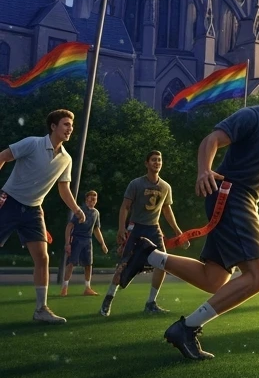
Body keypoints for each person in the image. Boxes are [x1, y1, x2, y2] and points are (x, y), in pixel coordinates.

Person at [117, 63, 259, 360]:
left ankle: (148, 255)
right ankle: (186, 328)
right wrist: (203, 171)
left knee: (213, 279)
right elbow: (211, 140)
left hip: (244, 197)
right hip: (231, 196)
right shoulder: (252, 117)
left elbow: (257, 174)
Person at [0, 109, 85, 323]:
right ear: (53, 127)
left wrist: (76, 209)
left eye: (71, 125)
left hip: (34, 210)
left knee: (43, 257)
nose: (70, 128)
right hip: (9, 202)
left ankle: (41, 310)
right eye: (66, 124)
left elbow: (64, 189)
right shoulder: (32, 143)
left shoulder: (66, 159)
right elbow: (3, 157)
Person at [100, 151, 187, 317]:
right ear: (146, 163)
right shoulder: (136, 184)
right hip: (136, 228)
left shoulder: (166, 187)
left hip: (154, 228)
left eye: (159, 160)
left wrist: (178, 232)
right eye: (153, 160)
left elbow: (167, 210)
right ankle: (108, 299)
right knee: (123, 265)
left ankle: (151, 302)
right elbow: (125, 207)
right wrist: (121, 228)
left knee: (163, 263)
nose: (157, 162)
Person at [61, 189, 108, 296]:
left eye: (94, 199)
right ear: (86, 200)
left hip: (88, 240)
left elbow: (96, 229)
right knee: (71, 263)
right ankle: (65, 287)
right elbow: (69, 226)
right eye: (90, 199)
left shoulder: (96, 213)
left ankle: (87, 287)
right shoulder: (79, 210)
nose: (92, 201)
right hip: (77, 239)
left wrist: (102, 243)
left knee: (88, 264)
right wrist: (67, 243)